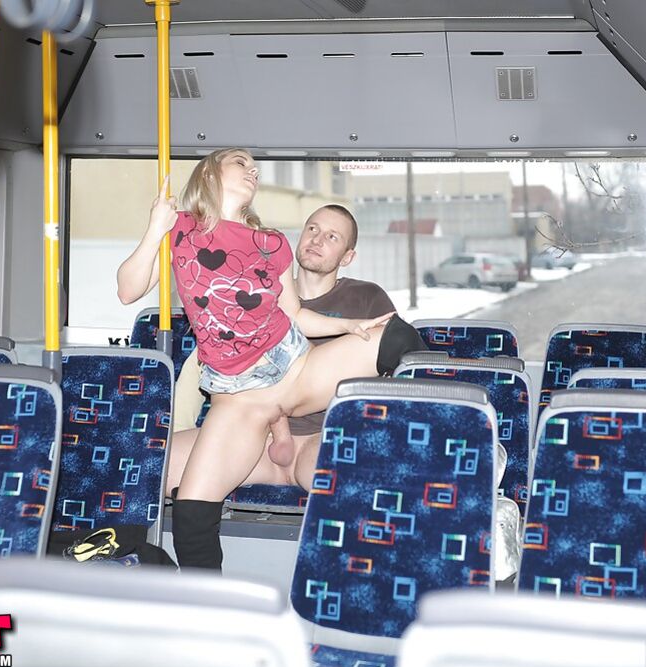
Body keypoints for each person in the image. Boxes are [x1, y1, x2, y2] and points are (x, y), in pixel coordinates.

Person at [116, 148, 425, 571]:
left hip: (294, 371)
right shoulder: (180, 230)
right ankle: (202, 603)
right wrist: (156, 228)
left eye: (254, 166)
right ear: (210, 173)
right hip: (241, 400)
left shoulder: (270, 242)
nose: (253, 170)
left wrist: (351, 326)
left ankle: (460, 434)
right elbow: (128, 290)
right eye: (240, 162)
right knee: (191, 513)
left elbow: (293, 314)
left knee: (393, 336)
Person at [166, 203, 396, 493]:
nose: (317, 239)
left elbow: (397, 372)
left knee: (341, 486)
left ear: (348, 256)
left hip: (322, 435)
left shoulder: (366, 298)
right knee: (159, 467)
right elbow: (204, 362)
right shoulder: (256, 293)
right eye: (312, 229)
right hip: (253, 438)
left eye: (332, 236)